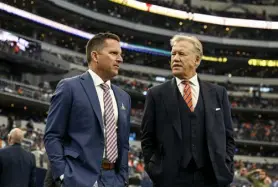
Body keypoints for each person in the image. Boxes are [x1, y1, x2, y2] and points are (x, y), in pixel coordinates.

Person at [141, 34, 235, 186]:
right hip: (170, 178)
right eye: (173, 54)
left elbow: (228, 136)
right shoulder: (156, 94)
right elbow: (147, 138)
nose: (176, 58)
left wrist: (226, 164)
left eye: (182, 54)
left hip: (211, 177)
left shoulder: (218, 93)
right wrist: (155, 169)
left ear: (197, 60)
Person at [44, 32, 131, 187]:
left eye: (120, 54)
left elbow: (124, 144)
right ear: (95, 56)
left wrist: (122, 178)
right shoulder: (70, 87)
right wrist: (63, 175)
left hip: (112, 180)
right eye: (113, 53)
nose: (120, 59)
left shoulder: (124, 97)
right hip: (77, 177)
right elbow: (52, 135)